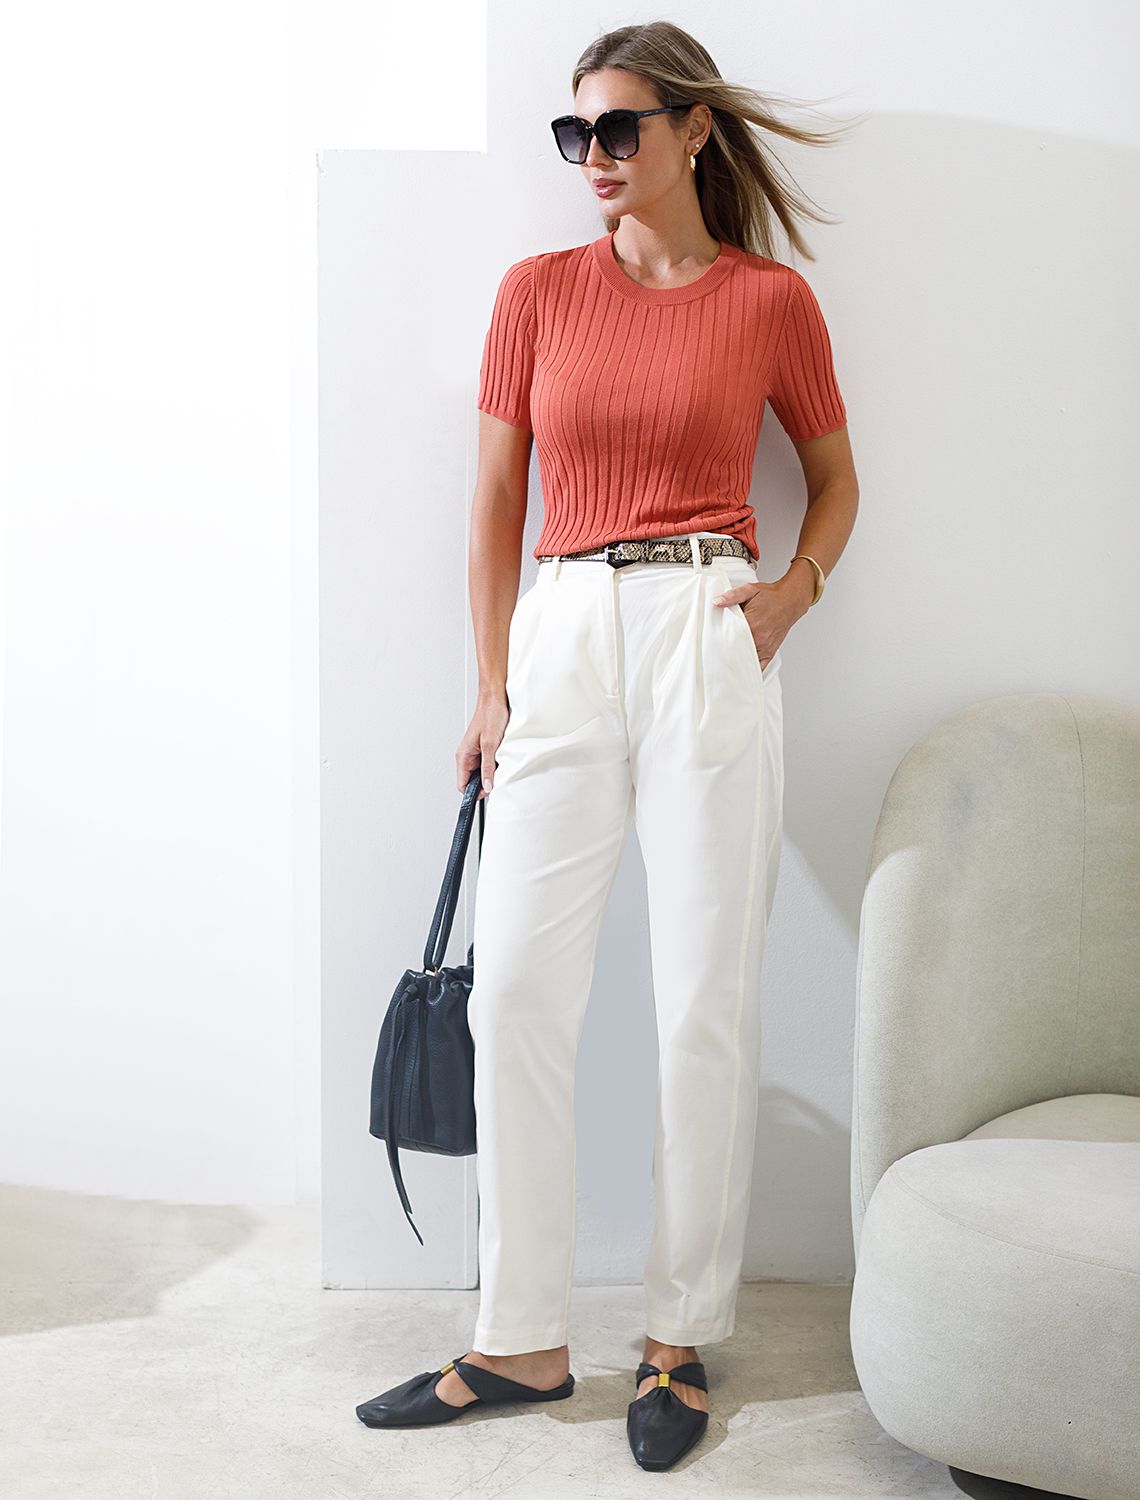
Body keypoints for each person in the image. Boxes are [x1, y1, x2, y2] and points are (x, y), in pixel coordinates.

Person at [357, 19, 860, 1471]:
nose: (593, 156)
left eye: (620, 129)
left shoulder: (770, 302)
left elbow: (835, 480)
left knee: (704, 998)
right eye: (575, 133)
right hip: (563, 632)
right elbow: (492, 504)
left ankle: (676, 1337)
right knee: (516, 989)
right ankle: (518, 1337)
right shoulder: (536, 293)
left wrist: (790, 596)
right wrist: (490, 684)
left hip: (710, 624)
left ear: (694, 131)